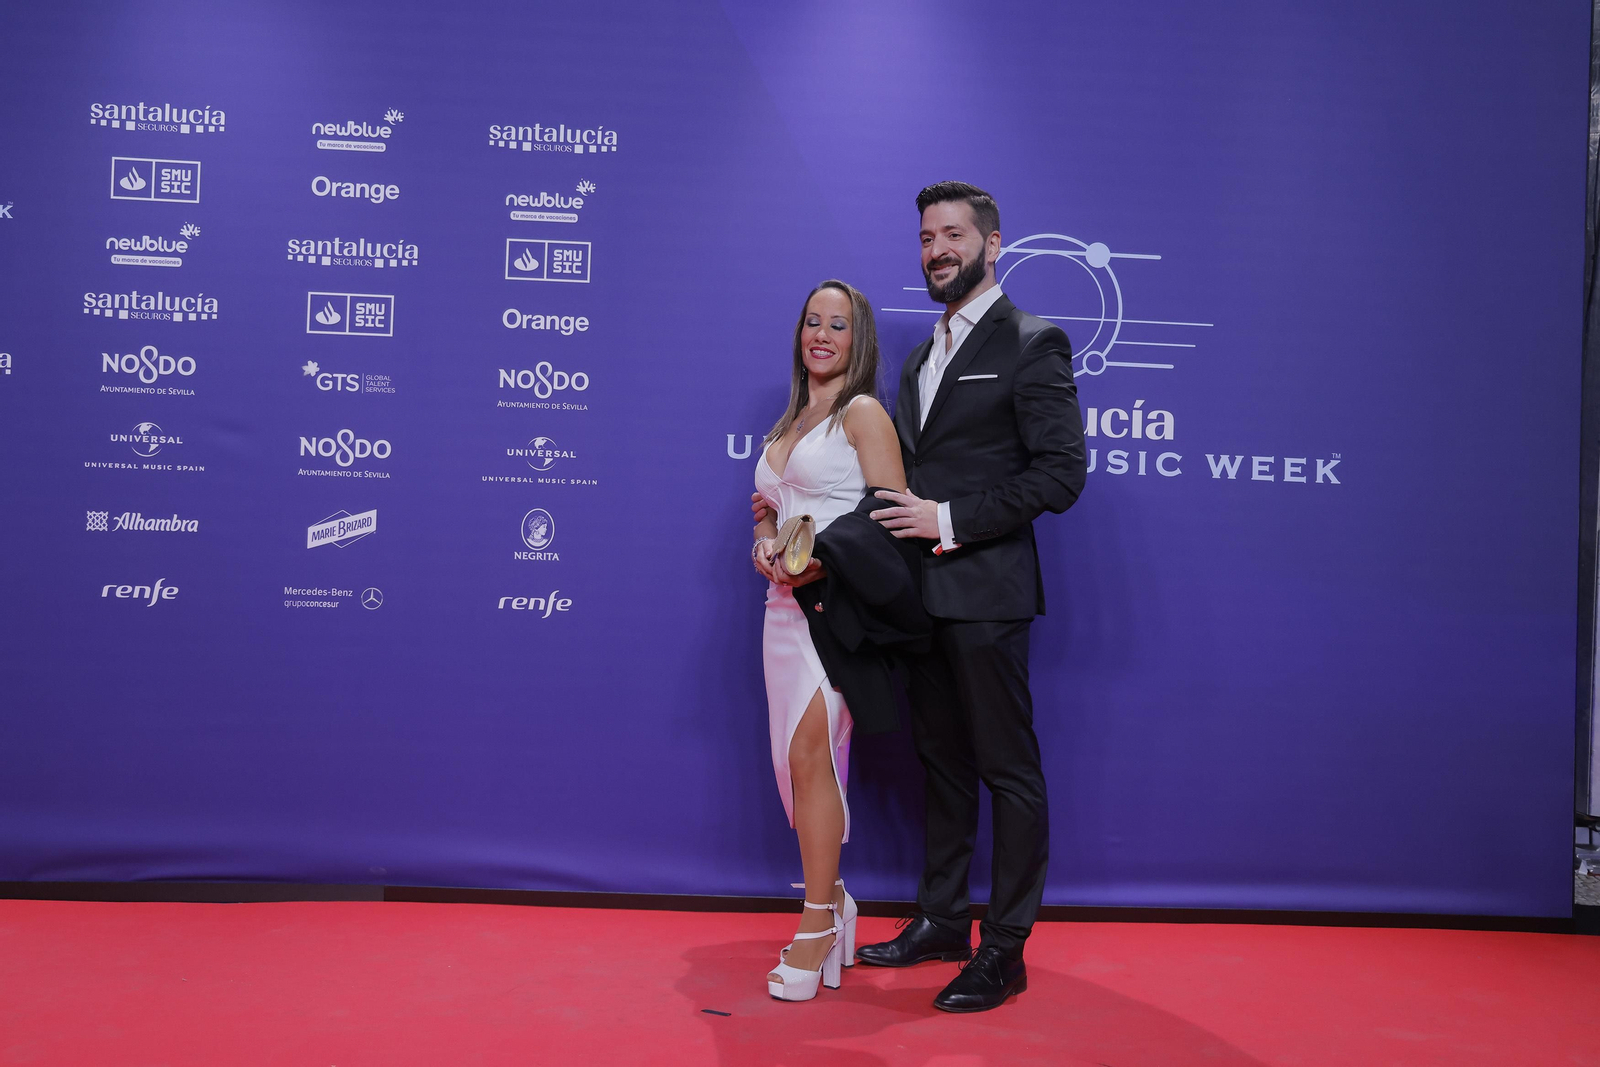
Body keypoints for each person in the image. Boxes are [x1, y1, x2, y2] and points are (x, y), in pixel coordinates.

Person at [856, 181, 1087, 1012]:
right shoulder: (920, 357)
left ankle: (1007, 948)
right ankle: (944, 919)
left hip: (988, 596)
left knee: (1007, 770)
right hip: (921, 601)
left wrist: (947, 519)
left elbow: (1062, 475)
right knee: (942, 768)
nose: (936, 249)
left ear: (994, 243)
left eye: (952, 234)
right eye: (925, 238)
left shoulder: (1034, 341)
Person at [750, 279, 908, 1002]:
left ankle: (816, 925)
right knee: (795, 770)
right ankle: (836, 902)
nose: (821, 334)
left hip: (830, 614)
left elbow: (893, 516)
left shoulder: (862, 412)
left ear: (859, 338)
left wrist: (824, 559)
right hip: (779, 614)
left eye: (837, 324)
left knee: (812, 758)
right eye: (813, 321)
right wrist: (763, 540)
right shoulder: (790, 419)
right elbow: (771, 511)